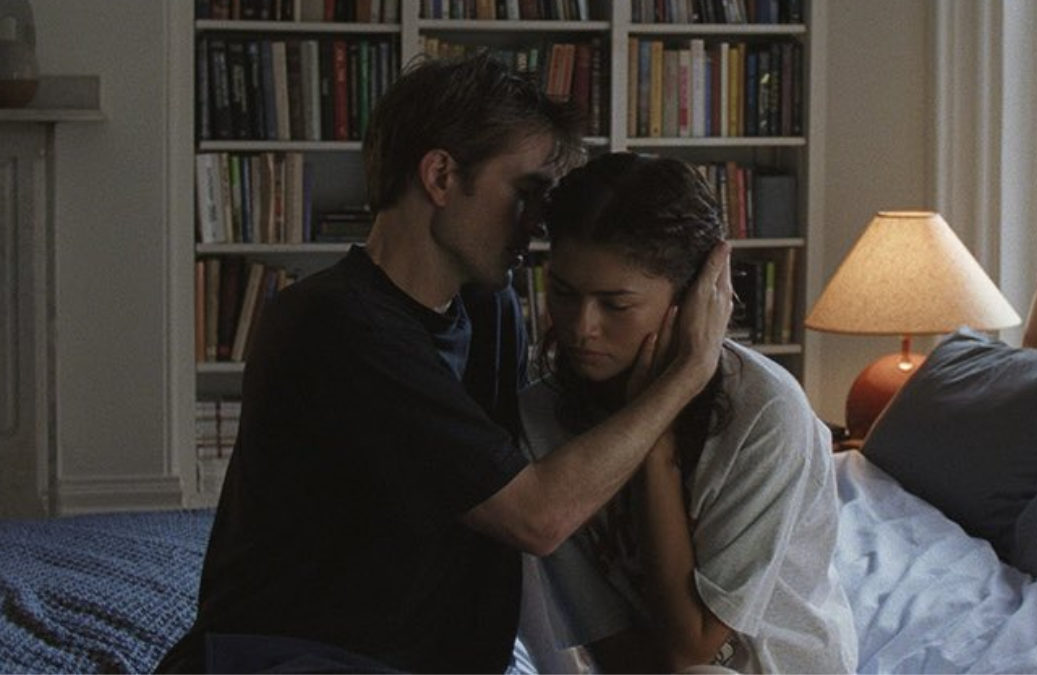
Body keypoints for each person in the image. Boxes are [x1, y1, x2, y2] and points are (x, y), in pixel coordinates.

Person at [156, 54, 735, 674]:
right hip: (292, 659)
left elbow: (517, 523)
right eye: (525, 193)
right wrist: (686, 373)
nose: (539, 223)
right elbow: (537, 516)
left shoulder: (489, 309)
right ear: (440, 176)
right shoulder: (334, 324)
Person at [517, 152, 857, 673]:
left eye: (616, 304)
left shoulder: (765, 412)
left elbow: (692, 648)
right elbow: (604, 641)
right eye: (563, 293)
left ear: (697, 295)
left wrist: (656, 441)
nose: (581, 328)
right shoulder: (541, 415)